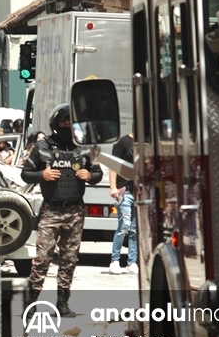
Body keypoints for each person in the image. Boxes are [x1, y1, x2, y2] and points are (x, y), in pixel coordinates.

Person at [21, 104, 102, 316]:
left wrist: (90, 176)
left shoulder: (85, 148)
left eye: (71, 121)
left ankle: (63, 303)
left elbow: (98, 173)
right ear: (56, 124)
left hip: (75, 211)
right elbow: (25, 173)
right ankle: (31, 302)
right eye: (63, 122)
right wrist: (42, 176)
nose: (67, 125)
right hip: (51, 211)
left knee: (69, 260)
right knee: (42, 258)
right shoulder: (42, 147)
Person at [108, 129, 137, 274]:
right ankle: (115, 260)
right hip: (124, 190)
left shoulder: (146, 144)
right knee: (124, 226)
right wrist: (113, 186)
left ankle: (132, 262)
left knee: (135, 229)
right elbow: (113, 166)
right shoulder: (123, 142)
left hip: (140, 191)